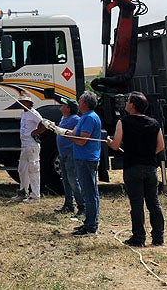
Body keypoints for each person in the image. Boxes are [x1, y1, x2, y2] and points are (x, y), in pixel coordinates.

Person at [105, 91, 165, 247]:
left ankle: (139, 238)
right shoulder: (154, 123)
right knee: (154, 203)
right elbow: (161, 146)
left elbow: (116, 145)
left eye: (127, 101)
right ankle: (158, 238)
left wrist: (109, 142)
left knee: (137, 205)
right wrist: (148, 154)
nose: (125, 103)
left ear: (132, 105)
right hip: (151, 168)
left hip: (132, 168)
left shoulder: (123, 122)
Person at [55, 91, 103, 237]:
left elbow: (82, 140)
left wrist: (66, 134)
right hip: (82, 158)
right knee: (89, 192)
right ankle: (89, 222)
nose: (79, 101)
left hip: (87, 159)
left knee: (89, 193)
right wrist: (59, 129)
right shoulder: (84, 118)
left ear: (84, 103)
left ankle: (91, 226)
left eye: (81, 99)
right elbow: (74, 133)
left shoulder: (89, 118)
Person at [55, 98, 85, 216]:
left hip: (70, 153)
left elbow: (74, 133)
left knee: (73, 180)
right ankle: (68, 205)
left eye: (63, 104)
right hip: (63, 153)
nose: (61, 105)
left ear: (68, 108)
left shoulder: (75, 119)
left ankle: (82, 206)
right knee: (66, 180)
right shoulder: (64, 118)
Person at [14, 92, 45, 203]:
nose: (21, 104)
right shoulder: (24, 113)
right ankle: (23, 192)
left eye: (23, 102)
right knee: (22, 169)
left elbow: (44, 124)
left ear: (28, 103)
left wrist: (34, 132)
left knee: (33, 170)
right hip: (25, 145)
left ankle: (35, 195)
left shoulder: (34, 113)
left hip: (31, 145)